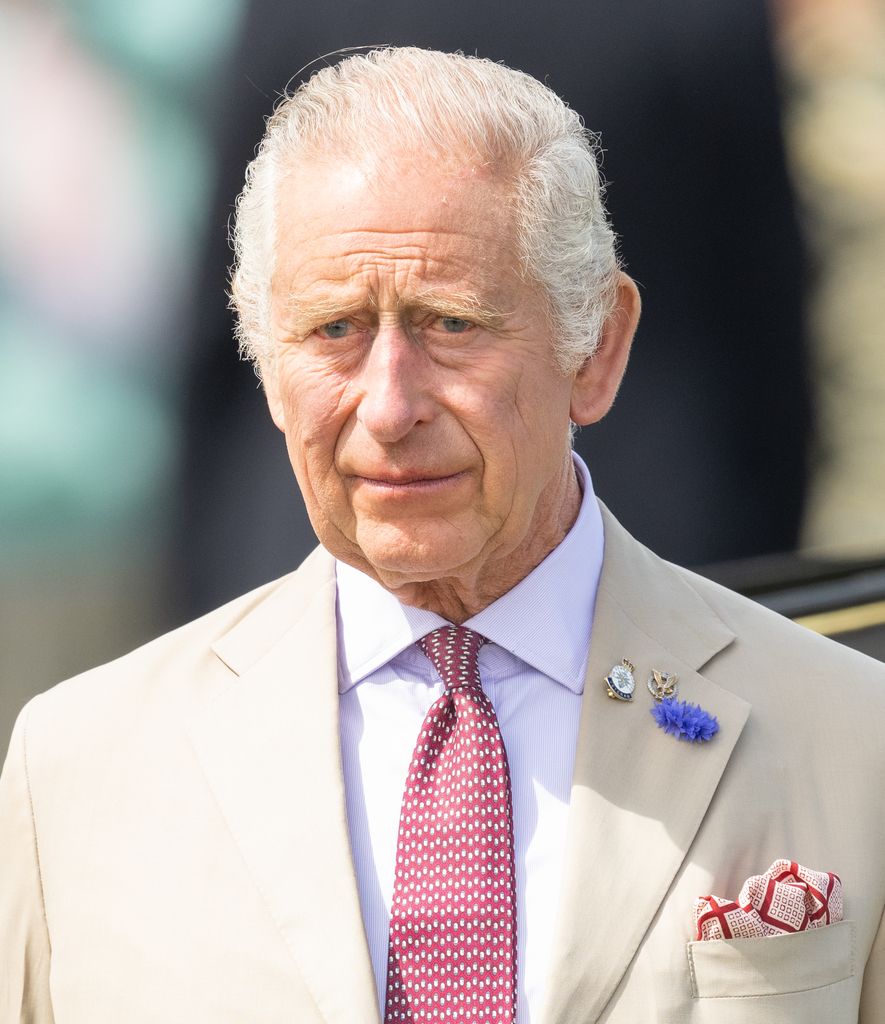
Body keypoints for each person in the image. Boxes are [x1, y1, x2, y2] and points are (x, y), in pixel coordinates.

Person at [0, 47, 882, 1024]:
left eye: (451, 323)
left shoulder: (850, 738)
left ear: (595, 346)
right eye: (333, 329)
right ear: (264, 366)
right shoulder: (80, 767)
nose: (388, 405)